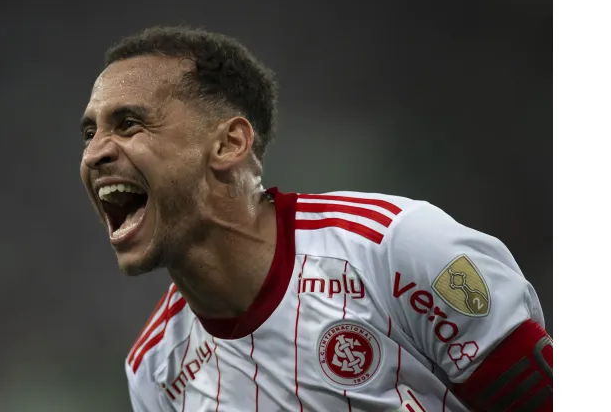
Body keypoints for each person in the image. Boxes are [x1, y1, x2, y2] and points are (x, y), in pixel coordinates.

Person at [79, 26, 552, 412]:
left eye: (128, 124)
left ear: (228, 145)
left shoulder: (397, 249)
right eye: (89, 132)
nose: (95, 152)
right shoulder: (156, 372)